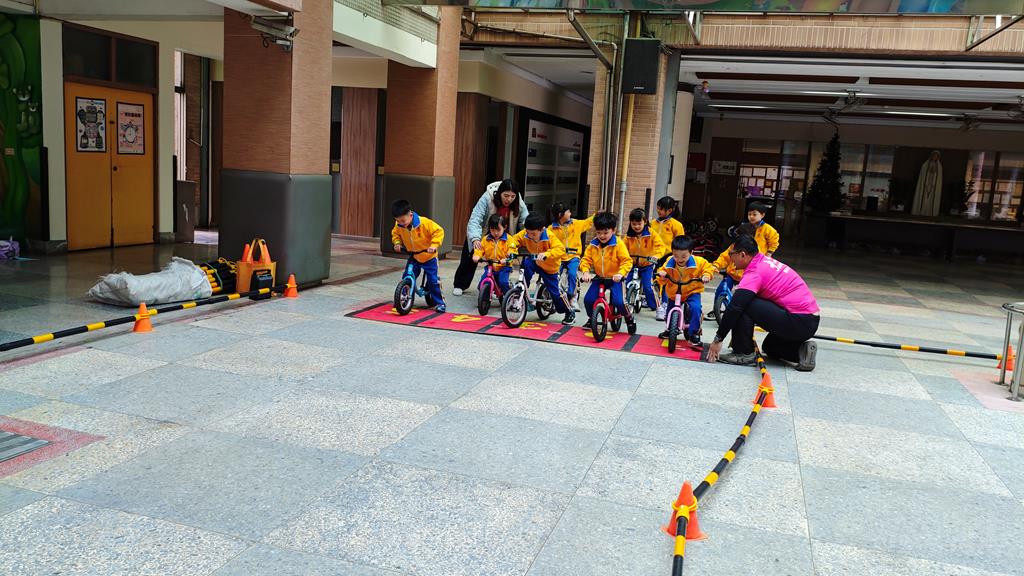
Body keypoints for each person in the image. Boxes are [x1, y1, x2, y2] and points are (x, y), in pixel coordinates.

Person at [706, 235, 819, 371]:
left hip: (798, 319)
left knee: (744, 303)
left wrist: (718, 339)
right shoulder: (764, 261)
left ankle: (744, 353)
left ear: (742, 254)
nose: (730, 258)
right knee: (770, 347)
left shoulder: (754, 272)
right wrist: (740, 332)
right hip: (808, 321)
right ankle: (803, 352)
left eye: (731, 254)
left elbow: (735, 307)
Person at [453, 180, 528, 295]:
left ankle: (497, 287)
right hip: (484, 232)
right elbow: (475, 219)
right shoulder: (487, 197)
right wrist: (475, 238)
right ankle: (460, 284)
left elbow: (525, 220)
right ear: (499, 193)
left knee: (500, 262)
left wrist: (529, 234)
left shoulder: (518, 201)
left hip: (505, 235)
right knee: (470, 255)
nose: (509, 199)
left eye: (512, 196)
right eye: (506, 195)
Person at [508, 213, 574, 325]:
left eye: (533, 234)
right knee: (526, 265)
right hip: (535, 261)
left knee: (555, 293)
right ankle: (521, 291)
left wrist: (547, 254)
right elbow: (514, 239)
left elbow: (560, 249)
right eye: (528, 232)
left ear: (542, 229)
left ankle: (569, 312)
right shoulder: (526, 233)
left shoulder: (550, 236)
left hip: (549, 267)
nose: (530, 236)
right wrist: (512, 250)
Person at [580, 212, 635, 333]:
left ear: (613, 230)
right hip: (600, 277)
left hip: (616, 278)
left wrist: (621, 273)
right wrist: (585, 272)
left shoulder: (618, 244)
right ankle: (592, 318)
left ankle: (629, 317)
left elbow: (627, 261)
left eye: (605, 233)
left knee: (619, 302)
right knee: (588, 300)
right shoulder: (593, 244)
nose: (602, 236)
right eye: (599, 232)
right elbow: (586, 260)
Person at [391, 199, 446, 313]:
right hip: (414, 256)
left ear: (410, 214)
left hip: (428, 256)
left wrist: (434, 245)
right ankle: (403, 298)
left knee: (433, 281)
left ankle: (440, 302)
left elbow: (439, 231)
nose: (401, 223)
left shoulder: (424, 223)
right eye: (398, 221)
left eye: (403, 220)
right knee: (407, 276)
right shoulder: (399, 225)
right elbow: (395, 233)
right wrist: (397, 243)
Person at [656, 236, 714, 345]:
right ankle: (669, 329)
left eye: (683, 256)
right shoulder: (669, 261)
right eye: (676, 256)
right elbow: (662, 273)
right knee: (669, 312)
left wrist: (706, 275)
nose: (679, 259)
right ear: (672, 253)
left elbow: (708, 268)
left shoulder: (699, 262)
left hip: (692, 291)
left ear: (691, 252)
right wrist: (662, 275)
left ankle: (694, 333)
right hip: (674, 292)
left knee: (696, 308)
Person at [548, 202, 595, 311]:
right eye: (568, 211)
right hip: (559, 256)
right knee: (554, 274)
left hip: (573, 256)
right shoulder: (551, 229)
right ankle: (554, 295)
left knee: (572, 274)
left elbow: (587, 222)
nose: (570, 213)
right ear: (560, 215)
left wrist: (596, 215)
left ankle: (572, 297)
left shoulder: (576, 223)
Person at [705, 222, 755, 320]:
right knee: (720, 290)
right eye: (739, 237)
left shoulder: (754, 249)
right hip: (731, 275)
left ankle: (748, 314)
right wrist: (716, 265)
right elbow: (724, 257)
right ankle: (716, 310)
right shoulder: (733, 246)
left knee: (744, 296)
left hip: (745, 278)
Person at [623, 208, 667, 315]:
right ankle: (626, 302)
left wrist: (656, 256)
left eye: (639, 224)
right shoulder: (628, 236)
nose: (636, 226)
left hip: (647, 265)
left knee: (648, 287)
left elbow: (660, 246)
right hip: (632, 264)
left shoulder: (651, 234)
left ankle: (657, 306)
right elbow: (622, 248)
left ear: (645, 222)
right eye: (634, 224)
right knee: (626, 283)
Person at [471, 214, 512, 295]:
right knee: (482, 283)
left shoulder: (509, 239)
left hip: (504, 267)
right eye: (492, 230)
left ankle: (508, 297)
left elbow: (512, 250)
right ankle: (486, 297)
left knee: (503, 282)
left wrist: (508, 258)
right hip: (491, 266)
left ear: (505, 227)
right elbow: (480, 249)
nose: (495, 233)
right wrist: (477, 255)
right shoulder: (486, 239)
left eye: (498, 230)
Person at [653, 196, 685, 266]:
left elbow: (680, 243)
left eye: (661, 209)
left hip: (668, 256)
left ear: (669, 210)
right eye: (658, 208)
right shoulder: (652, 223)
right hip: (654, 255)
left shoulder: (676, 225)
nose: (658, 211)